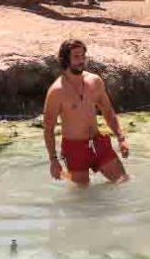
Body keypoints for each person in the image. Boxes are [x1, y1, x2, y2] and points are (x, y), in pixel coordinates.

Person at [43, 39, 129, 185]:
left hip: (97, 142)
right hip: (74, 149)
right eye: (76, 57)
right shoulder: (56, 91)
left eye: (83, 56)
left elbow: (108, 111)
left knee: (123, 181)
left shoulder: (95, 82)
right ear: (65, 59)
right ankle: (68, 176)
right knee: (82, 196)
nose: (81, 60)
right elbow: (48, 128)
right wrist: (53, 160)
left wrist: (121, 138)